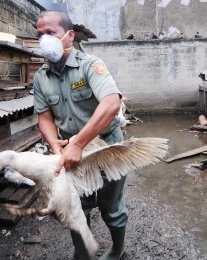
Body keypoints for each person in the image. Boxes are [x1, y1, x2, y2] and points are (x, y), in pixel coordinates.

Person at [33, 10, 128, 260]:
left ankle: (118, 250)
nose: (44, 40)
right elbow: (44, 117)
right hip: (71, 154)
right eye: (39, 35)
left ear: (69, 35)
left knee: (111, 208)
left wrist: (78, 142)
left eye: (50, 33)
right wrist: (55, 144)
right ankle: (82, 254)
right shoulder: (42, 77)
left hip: (108, 149)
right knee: (76, 206)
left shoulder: (90, 65)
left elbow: (111, 104)